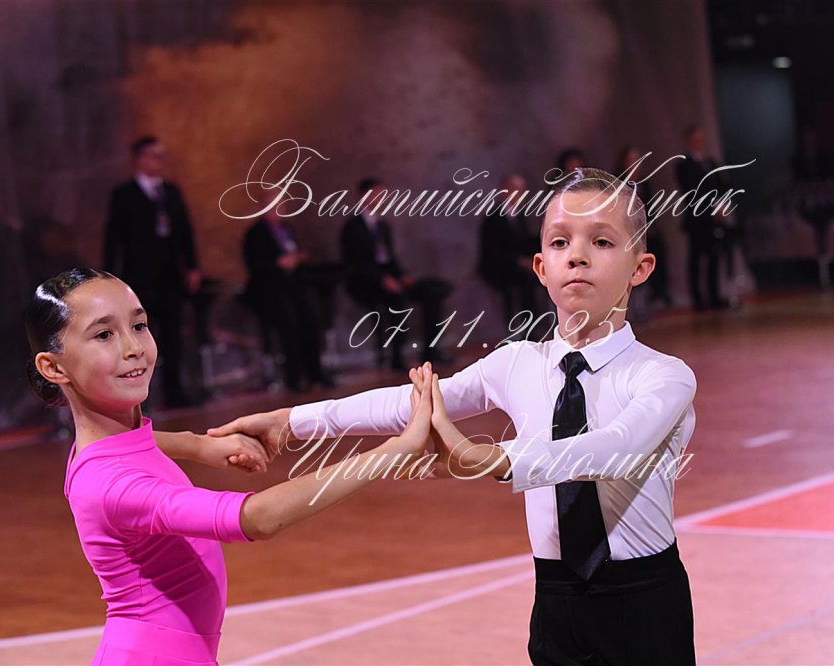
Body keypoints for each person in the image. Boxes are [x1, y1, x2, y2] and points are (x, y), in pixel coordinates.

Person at [212, 168, 698, 664]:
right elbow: (409, 404)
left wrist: (493, 458)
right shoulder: (516, 364)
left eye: (601, 241)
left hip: (644, 601)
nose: (576, 255)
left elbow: (616, 448)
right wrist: (291, 421)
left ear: (640, 268)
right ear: (540, 267)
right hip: (555, 600)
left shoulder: (664, 375)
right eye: (559, 242)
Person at [25, 267, 433, 665]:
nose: (133, 347)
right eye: (104, 335)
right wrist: (395, 452)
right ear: (53, 367)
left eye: (139, 325)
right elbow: (257, 518)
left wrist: (200, 446)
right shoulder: (111, 486)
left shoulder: (99, 452)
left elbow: (135, 448)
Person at [103, 136, 201, 407]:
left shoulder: (170, 191)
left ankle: (174, 391)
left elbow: (185, 232)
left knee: (172, 335)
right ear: (139, 159)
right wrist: (108, 278)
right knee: (138, 336)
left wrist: (192, 266)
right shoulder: (124, 195)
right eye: (153, 156)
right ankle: (137, 395)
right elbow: (113, 238)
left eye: (161, 156)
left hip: (170, 275)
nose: (159, 162)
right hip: (139, 277)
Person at [340, 178, 452, 370]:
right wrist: (383, 279)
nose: (381, 199)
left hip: (389, 277)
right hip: (366, 282)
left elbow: (389, 259)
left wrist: (402, 275)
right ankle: (397, 358)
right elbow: (357, 263)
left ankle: (431, 351)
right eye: (376, 194)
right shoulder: (353, 227)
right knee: (396, 300)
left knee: (432, 293)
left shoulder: (383, 226)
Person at [243, 197, 335, 391]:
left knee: (311, 320)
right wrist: (278, 263)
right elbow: (255, 267)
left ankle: (315, 373)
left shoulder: (287, 229)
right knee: (289, 324)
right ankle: (294, 377)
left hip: (292, 286)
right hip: (270, 289)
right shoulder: (255, 234)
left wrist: (297, 259)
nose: (278, 209)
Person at [477, 173, 541, 335]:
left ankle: (534, 327)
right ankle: (525, 332)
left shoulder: (519, 215)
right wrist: (519, 261)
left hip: (515, 264)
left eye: (522, 191)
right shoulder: (493, 217)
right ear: (505, 191)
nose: (520, 195)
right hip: (498, 267)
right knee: (525, 281)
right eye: (516, 190)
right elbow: (492, 252)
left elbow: (523, 243)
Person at [677, 124, 726, 310]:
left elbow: (721, 186)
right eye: (696, 139)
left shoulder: (710, 162)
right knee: (696, 258)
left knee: (714, 256)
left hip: (713, 218)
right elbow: (690, 189)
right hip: (697, 219)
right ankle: (697, 298)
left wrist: (719, 206)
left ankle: (714, 295)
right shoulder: (684, 165)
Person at [617, 145, 672, 307]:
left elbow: (650, 208)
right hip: (627, 232)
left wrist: (651, 226)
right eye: (631, 160)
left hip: (646, 231)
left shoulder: (644, 183)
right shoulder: (619, 184)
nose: (635, 164)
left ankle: (658, 293)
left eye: (637, 160)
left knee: (657, 250)